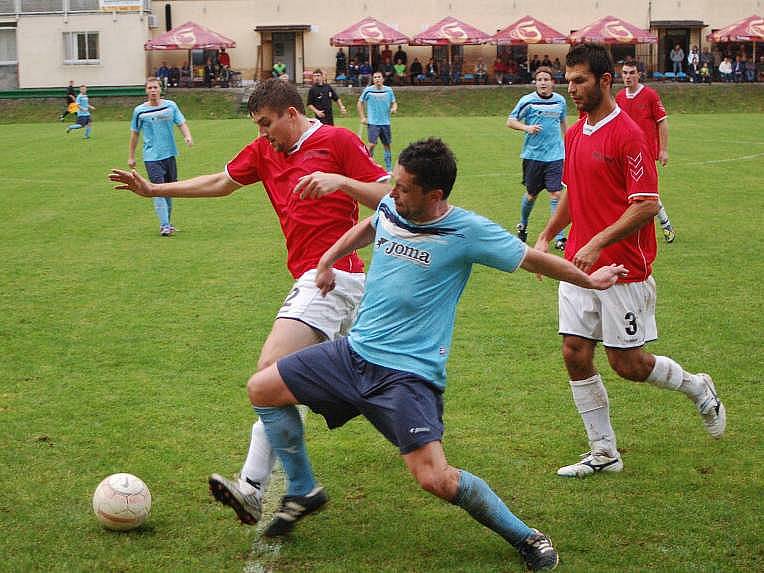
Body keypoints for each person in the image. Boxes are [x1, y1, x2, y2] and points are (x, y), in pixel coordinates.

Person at [245, 136, 628, 569]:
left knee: (436, 479)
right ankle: (302, 489)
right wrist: (328, 259)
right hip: (352, 356)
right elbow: (372, 225)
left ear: (435, 195)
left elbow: (531, 260)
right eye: (394, 183)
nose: (392, 193)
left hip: (406, 377)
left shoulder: (467, 231)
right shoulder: (393, 206)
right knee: (262, 388)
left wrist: (589, 280)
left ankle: (527, 536)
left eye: (404, 188)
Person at [109, 78, 390, 522]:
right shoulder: (264, 151)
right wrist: (154, 191)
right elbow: (221, 181)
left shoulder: (338, 140)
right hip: (310, 276)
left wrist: (341, 181)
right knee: (284, 387)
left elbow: (391, 195)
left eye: (267, 124)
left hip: (334, 277)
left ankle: (297, 487)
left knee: (267, 373)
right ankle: (258, 487)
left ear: (291, 114)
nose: (263, 134)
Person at [534, 43, 725, 479]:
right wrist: (546, 236)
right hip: (579, 266)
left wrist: (598, 242)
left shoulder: (629, 135)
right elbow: (572, 194)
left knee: (628, 365)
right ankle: (603, 451)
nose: (572, 90)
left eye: (580, 81)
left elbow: (646, 205)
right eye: (568, 81)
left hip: (623, 270)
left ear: (604, 81)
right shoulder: (574, 133)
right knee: (574, 352)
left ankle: (698, 386)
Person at [506, 66, 568, 250]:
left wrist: (568, 143)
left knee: (556, 194)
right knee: (531, 195)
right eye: (539, 79)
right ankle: (523, 225)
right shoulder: (528, 101)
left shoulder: (560, 101)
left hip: (555, 155)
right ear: (536, 82)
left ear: (552, 83)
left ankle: (560, 236)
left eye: (546, 79)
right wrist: (527, 128)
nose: (543, 82)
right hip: (533, 156)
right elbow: (510, 121)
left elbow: (563, 121)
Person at [617, 60, 676, 243]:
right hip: (625, 155)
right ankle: (627, 230)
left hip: (646, 154)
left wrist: (664, 150)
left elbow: (662, 122)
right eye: (625, 73)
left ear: (639, 74)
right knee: (626, 193)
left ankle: (665, 224)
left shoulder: (650, 95)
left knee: (647, 193)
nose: (627, 76)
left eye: (631, 73)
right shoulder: (619, 97)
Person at [127, 77, 193, 237]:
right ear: (146, 90)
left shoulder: (171, 106)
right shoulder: (139, 111)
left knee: (169, 190)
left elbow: (181, 122)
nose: (153, 90)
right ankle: (164, 225)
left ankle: (167, 224)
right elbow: (135, 134)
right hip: (151, 156)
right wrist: (131, 156)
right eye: (149, 88)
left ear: (160, 89)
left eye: (155, 87)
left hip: (169, 154)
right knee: (157, 189)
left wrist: (187, 136)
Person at [358, 71, 397, 173]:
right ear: (373, 80)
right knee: (371, 144)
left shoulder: (389, 90)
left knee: (387, 144)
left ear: (382, 79)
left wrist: (394, 108)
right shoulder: (368, 90)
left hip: (385, 122)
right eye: (375, 77)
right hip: (373, 123)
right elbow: (360, 102)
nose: (377, 79)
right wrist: (362, 117)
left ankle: (388, 169)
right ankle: (366, 164)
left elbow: (394, 102)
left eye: (379, 77)